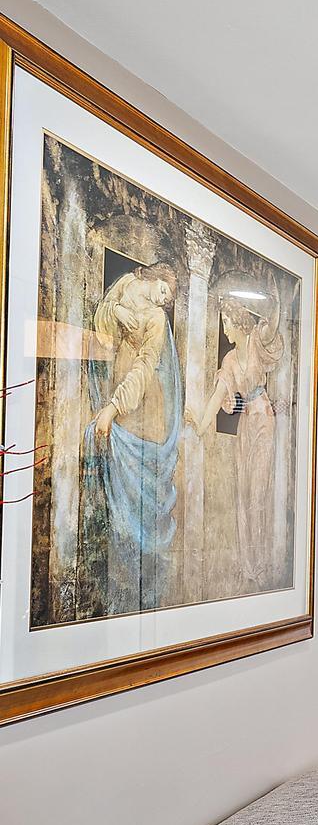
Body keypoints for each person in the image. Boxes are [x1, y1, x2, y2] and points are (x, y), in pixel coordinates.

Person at [87, 262, 182, 612]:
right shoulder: (125, 285)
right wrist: (117, 311)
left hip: (143, 407)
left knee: (138, 501)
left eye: (168, 299)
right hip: (120, 392)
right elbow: (101, 326)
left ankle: (141, 592)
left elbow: (145, 367)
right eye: (163, 292)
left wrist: (113, 407)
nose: (163, 301)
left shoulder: (157, 320)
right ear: (153, 277)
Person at [187, 297, 286, 588]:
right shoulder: (229, 361)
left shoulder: (256, 340)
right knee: (243, 493)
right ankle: (248, 568)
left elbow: (273, 325)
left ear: (238, 322)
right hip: (246, 425)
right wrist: (201, 423)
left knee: (258, 491)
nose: (226, 331)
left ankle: (261, 564)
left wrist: (277, 301)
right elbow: (219, 395)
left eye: (227, 324)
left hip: (264, 419)